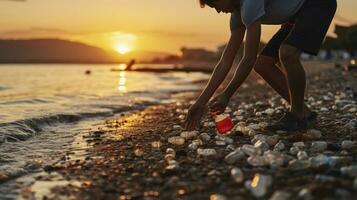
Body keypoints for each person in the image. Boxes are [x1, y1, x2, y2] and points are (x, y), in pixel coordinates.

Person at [184, 0, 337, 131]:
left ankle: (297, 115)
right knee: (263, 65)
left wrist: (226, 95)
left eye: (214, 4)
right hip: (295, 17)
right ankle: (304, 113)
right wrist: (200, 102)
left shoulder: (249, 4)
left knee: (287, 53)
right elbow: (225, 61)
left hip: (317, 4)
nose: (217, 10)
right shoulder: (237, 15)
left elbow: (248, 58)